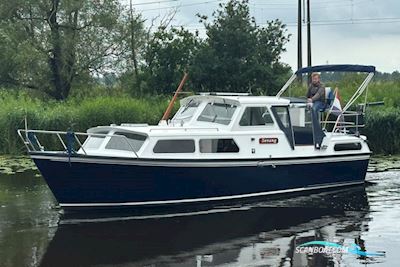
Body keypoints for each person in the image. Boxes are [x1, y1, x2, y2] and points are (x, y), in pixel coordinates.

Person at [306, 73, 326, 149]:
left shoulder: (322, 86)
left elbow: (318, 95)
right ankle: (309, 125)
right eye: (313, 79)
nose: (314, 80)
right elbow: (307, 94)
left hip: (320, 102)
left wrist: (311, 99)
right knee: (307, 107)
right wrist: (306, 99)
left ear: (318, 79)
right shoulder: (310, 86)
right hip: (312, 101)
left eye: (316, 79)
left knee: (314, 109)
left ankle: (316, 126)